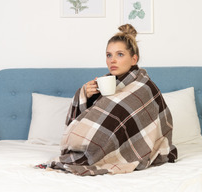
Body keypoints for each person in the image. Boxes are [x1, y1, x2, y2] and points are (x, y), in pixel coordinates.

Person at [44, 24, 177, 176]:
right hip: (91, 146)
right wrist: (86, 95)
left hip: (125, 148)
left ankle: (96, 154)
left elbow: (144, 122)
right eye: (109, 55)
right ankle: (88, 152)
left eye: (120, 54)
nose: (112, 60)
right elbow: (98, 115)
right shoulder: (106, 82)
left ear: (134, 59)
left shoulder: (145, 87)